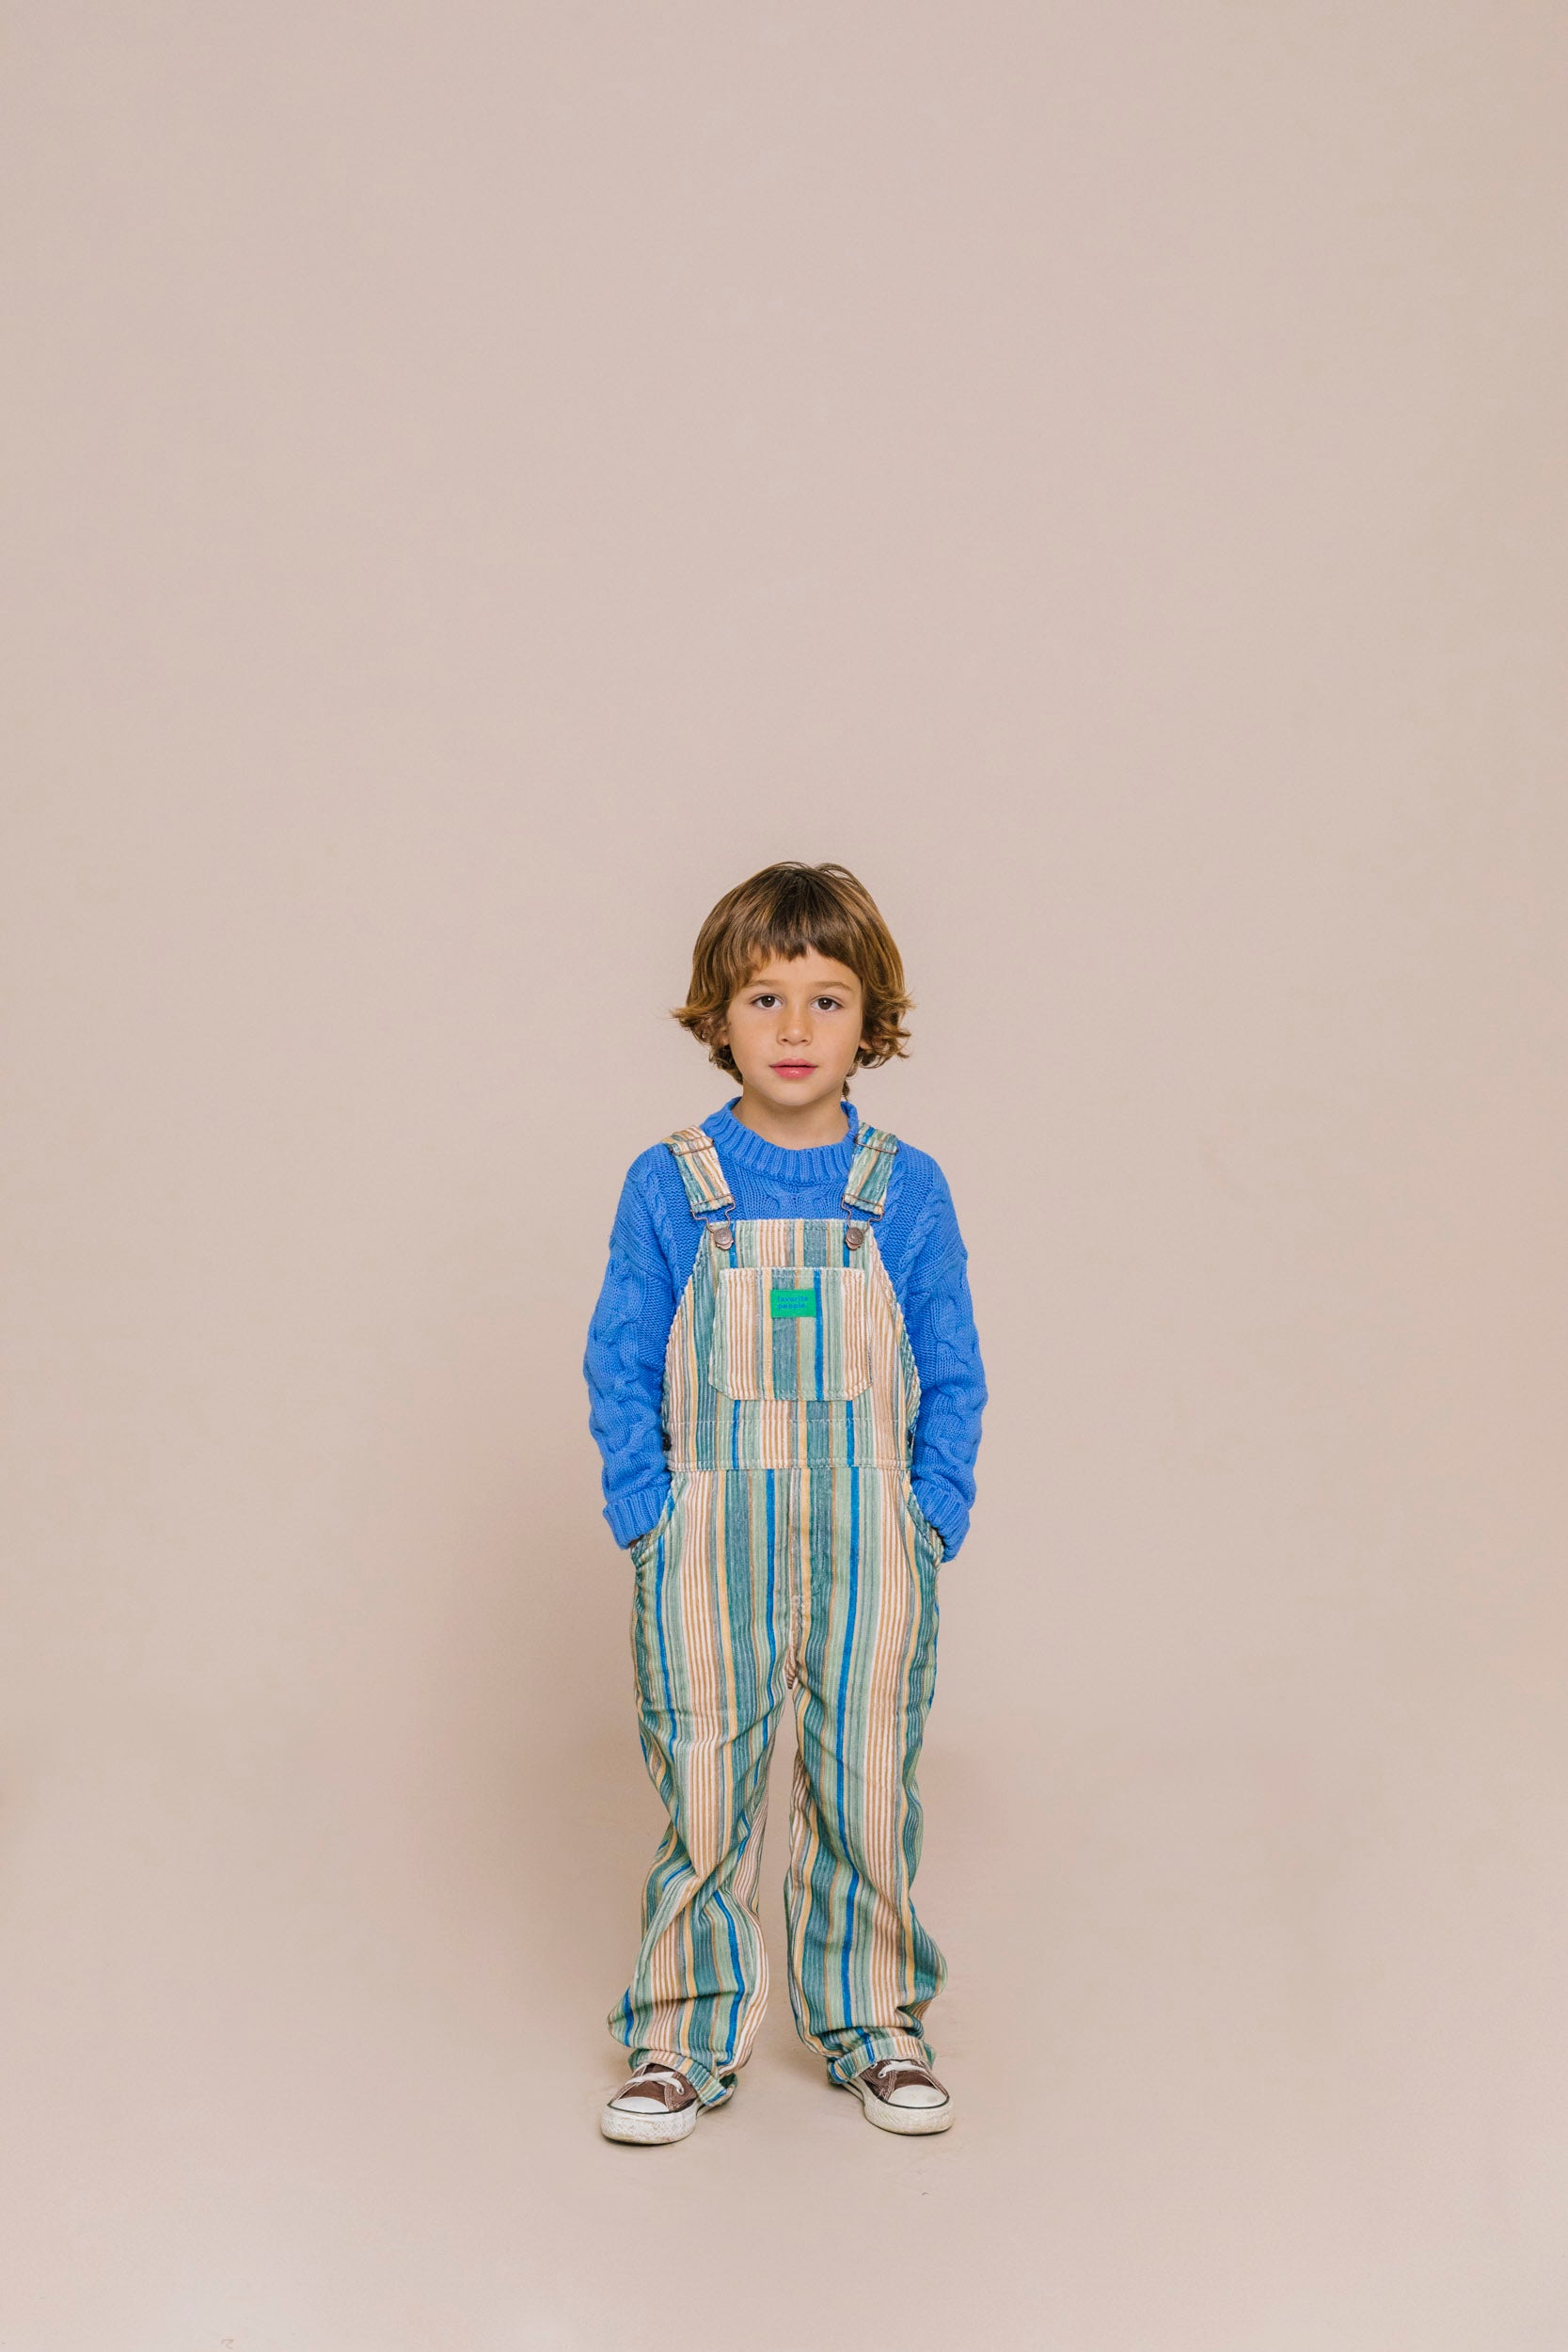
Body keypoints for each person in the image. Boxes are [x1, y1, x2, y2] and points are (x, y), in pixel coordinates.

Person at [582, 860, 987, 2144]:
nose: (796, 1028)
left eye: (828, 999)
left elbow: (952, 1361)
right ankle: (680, 2036)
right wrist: (645, 1509)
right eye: (765, 998)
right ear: (719, 1014)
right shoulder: (673, 1184)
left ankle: (875, 2025)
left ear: (872, 1020)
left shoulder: (904, 1189)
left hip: (872, 1536)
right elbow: (620, 1355)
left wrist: (933, 1510)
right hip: (708, 1538)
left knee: (865, 1782)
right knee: (705, 1787)